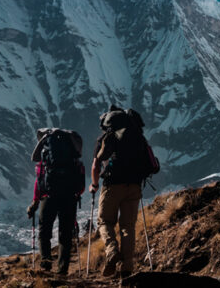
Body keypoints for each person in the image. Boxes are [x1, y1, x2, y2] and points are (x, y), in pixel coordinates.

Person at [89, 105, 159, 278]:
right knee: (128, 227)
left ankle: (112, 251)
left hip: (112, 185)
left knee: (105, 221)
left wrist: (95, 185)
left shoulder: (108, 137)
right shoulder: (138, 137)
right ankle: (127, 269)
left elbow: (96, 164)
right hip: (134, 186)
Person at [27, 128, 84, 275]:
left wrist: (35, 202)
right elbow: (81, 181)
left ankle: (46, 262)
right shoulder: (73, 158)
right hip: (69, 197)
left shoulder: (46, 158)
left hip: (49, 196)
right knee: (65, 233)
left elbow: (39, 180)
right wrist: (75, 193)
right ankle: (62, 269)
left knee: (44, 231)